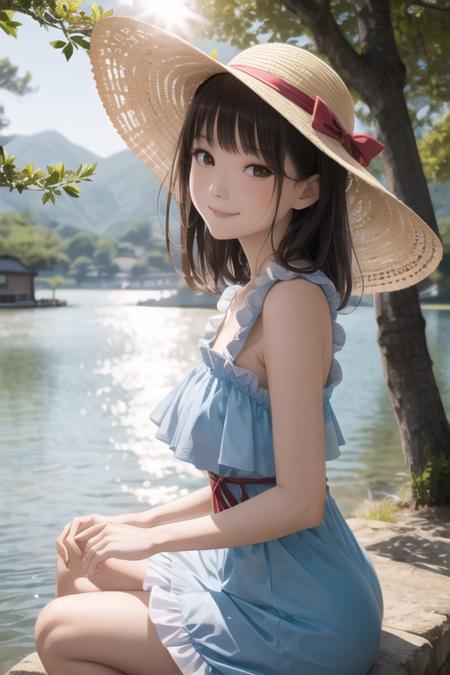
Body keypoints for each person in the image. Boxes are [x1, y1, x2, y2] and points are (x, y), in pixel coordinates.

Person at [35, 15, 442, 675]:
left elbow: (300, 498)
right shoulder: (250, 294)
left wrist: (150, 533)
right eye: (205, 155)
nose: (217, 186)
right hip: (259, 572)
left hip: (302, 609)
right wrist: (132, 519)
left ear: (308, 188)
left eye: (253, 166)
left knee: (59, 628)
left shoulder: (293, 302)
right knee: (82, 557)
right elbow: (243, 484)